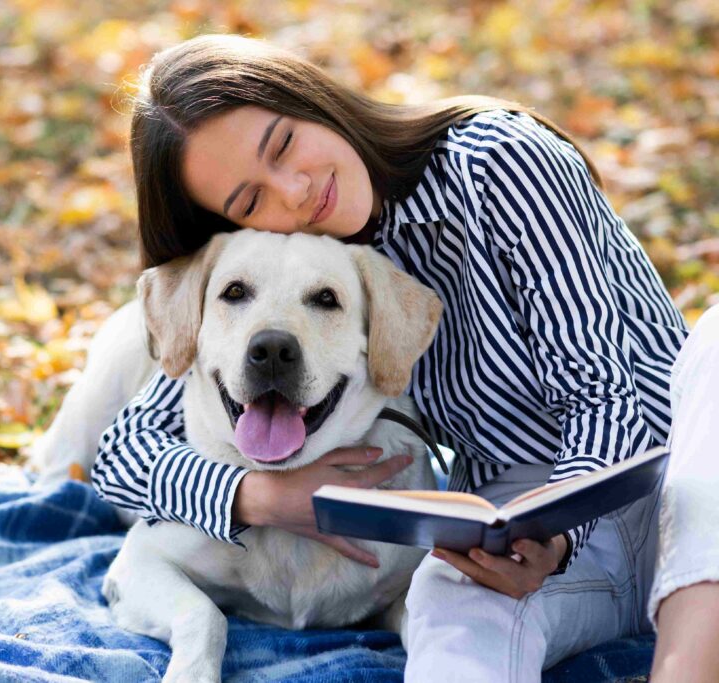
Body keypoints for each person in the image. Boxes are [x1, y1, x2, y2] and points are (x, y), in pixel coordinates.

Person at [89, 33, 719, 681]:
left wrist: (561, 534)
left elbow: (604, 394)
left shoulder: (500, 162)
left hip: (685, 481)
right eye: (252, 202)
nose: (296, 189)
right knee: (446, 605)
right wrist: (265, 496)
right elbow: (125, 449)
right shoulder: (318, 274)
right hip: (532, 539)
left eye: (282, 144)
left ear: (312, 98)